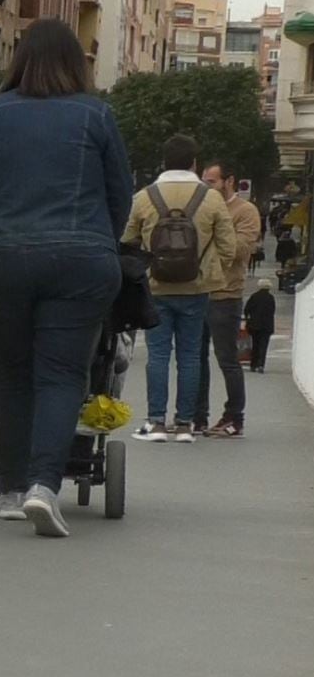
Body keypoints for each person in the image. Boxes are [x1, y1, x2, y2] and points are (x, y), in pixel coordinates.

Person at [0, 19, 133, 538]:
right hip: (81, 261)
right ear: (76, 63)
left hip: (3, 258)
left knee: (13, 371)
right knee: (62, 375)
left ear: (19, 60)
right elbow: (120, 194)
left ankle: (12, 489)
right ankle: (44, 486)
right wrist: (100, 241)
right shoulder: (96, 114)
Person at [125, 135, 236, 445]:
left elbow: (127, 241)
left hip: (156, 287)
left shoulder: (144, 197)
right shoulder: (211, 198)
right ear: (194, 164)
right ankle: (185, 424)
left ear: (164, 161)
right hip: (196, 288)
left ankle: (156, 422)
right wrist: (210, 270)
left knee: (158, 355)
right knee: (190, 356)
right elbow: (229, 247)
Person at [194, 161, 261, 438]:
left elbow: (240, 250)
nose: (205, 186)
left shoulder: (245, 211)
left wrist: (214, 231)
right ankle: (196, 416)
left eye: (211, 181)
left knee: (227, 359)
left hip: (226, 294)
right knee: (195, 358)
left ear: (229, 181)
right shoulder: (201, 207)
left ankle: (234, 417)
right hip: (198, 291)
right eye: (204, 181)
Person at [245, 279, 277, 373]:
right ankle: (261, 365)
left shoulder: (254, 296)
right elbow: (272, 311)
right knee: (264, 346)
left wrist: (248, 319)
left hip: (254, 325)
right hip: (267, 326)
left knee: (255, 345)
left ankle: (253, 365)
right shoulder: (271, 298)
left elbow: (247, 309)